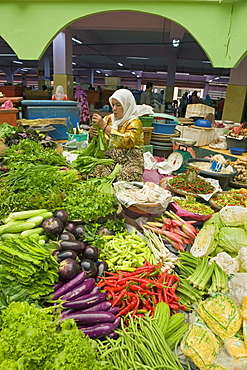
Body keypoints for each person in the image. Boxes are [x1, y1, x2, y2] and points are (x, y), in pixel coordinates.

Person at [89, 88, 144, 182]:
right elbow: (98, 141)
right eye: (113, 105)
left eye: (118, 105)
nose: (114, 108)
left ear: (127, 105)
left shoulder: (135, 122)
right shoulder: (108, 119)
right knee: (96, 171)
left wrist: (105, 127)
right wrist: (91, 134)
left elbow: (127, 141)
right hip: (110, 160)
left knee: (126, 176)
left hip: (130, 160)